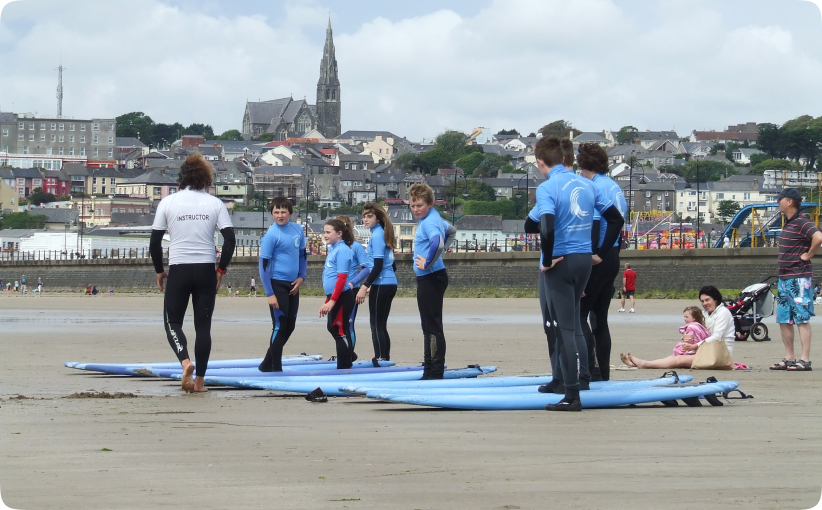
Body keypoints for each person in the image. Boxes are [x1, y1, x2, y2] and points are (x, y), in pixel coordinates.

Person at [150, 153, 236, 393]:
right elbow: (230, 239)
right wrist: (221, 269)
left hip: (179, 269)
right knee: (203, 327)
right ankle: (199, 383)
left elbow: (155, 242)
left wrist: (159, 270)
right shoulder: (215, 203)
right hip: (206, 269)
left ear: (182, 177)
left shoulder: (168, 202)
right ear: (206, 178)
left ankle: (185, 362)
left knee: (173, 322)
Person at [577, 143, 626, 382]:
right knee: (599, 319)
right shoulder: (614, 186)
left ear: (582, 164)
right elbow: (619, 222)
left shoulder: (593, 186)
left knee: (579, 315)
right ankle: (602, 373)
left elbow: (596, 226)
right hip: (615, 256)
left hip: (599, 257)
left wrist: (597, 253)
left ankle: (587, 371)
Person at [768, 188, 822, 372]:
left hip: (798, 278)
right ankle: (789, 358)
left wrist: (808, 255)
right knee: (784, 318)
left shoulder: (801, 221)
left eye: (780, 199)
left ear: (790, 201)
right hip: (784, 278)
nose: (778, 202)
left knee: (801, 318)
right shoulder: (789, 223)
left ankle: (804, 359)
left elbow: (818, 237)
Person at [621, 286, 735, 369]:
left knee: (679, 360)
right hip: (706, 349)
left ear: (716, 299)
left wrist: (695, 346)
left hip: (720, 354)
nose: (705, 303)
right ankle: (637, 364)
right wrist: (687, 337)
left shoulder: (723, 313)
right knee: (676, 355)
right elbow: (699, 331)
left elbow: (717, 336)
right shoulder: (705, 314)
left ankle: (643, 364)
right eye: (702, 301)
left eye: (707, 300)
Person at [411, 183, 456, 379]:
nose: (415, 209)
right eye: (412, 206)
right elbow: (452, 231)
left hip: (430, 277)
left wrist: (428, 263)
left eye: (419, 205)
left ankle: (435, 370)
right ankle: (429, 368)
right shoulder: (435, 218)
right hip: (432, 277)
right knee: (428, 325)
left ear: (430, 203)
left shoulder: (429, 222)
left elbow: (437, 243)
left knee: (431, 326)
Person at [257, 196, 306, 372]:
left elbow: (302, 256)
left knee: (290, 325)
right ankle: (276, 367)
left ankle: (266, 363)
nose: (280, 215)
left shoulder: (298, 229)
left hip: (294, 284)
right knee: (279, 325)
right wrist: (269, 293)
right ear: (272, 214)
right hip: (277, 284)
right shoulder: (272, 234)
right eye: (276, 212)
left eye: (283, 211)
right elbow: (262, 266)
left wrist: (301, 277)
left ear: (290, 213)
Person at [356, 202, 398, 361]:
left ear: (378, 218)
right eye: (364, 217)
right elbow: (392, 265)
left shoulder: (377, 236)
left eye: (369, 216)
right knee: (380, 324)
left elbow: (379, 265)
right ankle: (384, 358)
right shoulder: (383, 233)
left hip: (382, 283)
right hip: (389, 283)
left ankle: (381, 358)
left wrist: (365, 285)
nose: (365, 220)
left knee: (376, 325)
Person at [318, 218, 356, 369]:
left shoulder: (343, 250)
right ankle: (348, 359)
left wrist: (332, 300)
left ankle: (344, 366)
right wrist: (328, 298)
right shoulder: (334, 248)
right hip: (334, 296)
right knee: (334, 328)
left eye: (328, 232)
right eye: (324, 232)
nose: (325, 235)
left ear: (339, 233)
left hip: (342, 297)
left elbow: (341, 278)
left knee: (340, 331)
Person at [338, 215, 370, 362]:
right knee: (337, 325)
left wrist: (353, 283)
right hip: (337, 290)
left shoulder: (355, 246)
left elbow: (366, 268)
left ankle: (349, 355)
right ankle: (346, 353)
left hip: (351, 290)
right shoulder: (335, 247)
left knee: (348, 324)